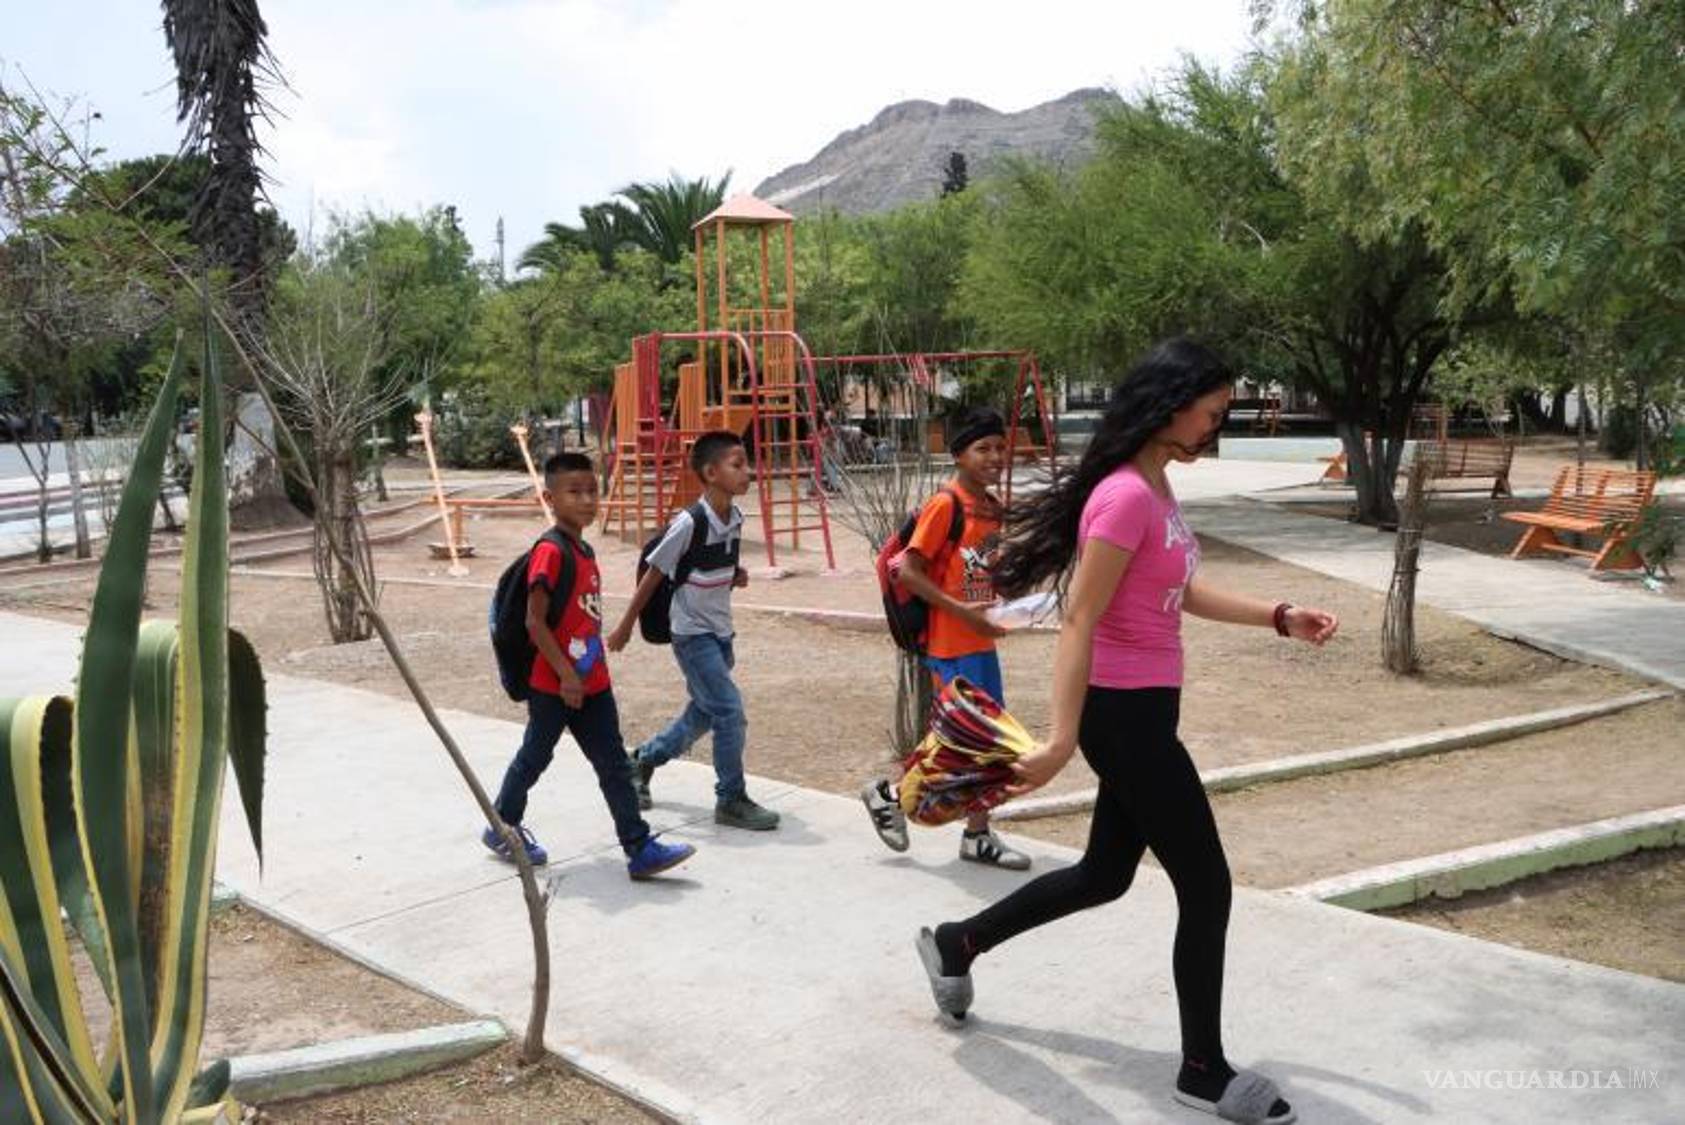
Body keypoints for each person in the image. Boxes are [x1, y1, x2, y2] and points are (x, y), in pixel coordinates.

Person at [915, 340, 1337, 1125]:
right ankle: (1201, 1068)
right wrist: (1061, 737)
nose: (1215, 426)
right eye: (1211, 412)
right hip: (1122, 716)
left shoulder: (1154, 490)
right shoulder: (1124, 497)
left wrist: (1277, 616)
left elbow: (1177, 590)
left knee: (1103, 874)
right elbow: (1080, 616)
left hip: (1144, 712)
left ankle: (957, 942)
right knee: (1206, 883)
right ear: (1170, 405)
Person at [482, 452, 696, 881]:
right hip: (554, 685)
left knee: (614, 764)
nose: (585, 500)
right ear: (551, 497)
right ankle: (502, 827)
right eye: (573, 492)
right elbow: (534, 622)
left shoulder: (584, 549)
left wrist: (584, 674)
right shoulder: (550, 551)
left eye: (591, 491)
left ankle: (639, 848)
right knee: (535, 757)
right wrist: (564, 675)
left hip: (592, 683)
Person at [861, 406, 1032, 871]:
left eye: (1000, 447)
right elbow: (910, 573)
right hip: (951, 646)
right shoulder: (946, 505)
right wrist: (964, 614)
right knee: (969, 742)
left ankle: (976, 836)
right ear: (959, 455)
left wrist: (1016, 603)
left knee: (981, 744)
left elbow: (985, 575)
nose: (995, 456)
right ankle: (892, 796)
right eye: (983, 449)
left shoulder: (992, 509)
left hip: (981, 644)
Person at [607, 431, 781, 831]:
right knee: (730, 712)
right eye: (737, 465)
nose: (747, 472)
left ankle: (643, 760)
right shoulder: (689, 522)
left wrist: (733, 575)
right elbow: (654, 574)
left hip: (722, 634)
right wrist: (625, 626)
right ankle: (730, 798)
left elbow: (714, 564)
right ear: (710, 472)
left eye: (746, 463)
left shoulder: (735, 518)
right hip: (692, 635)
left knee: (704, 714)